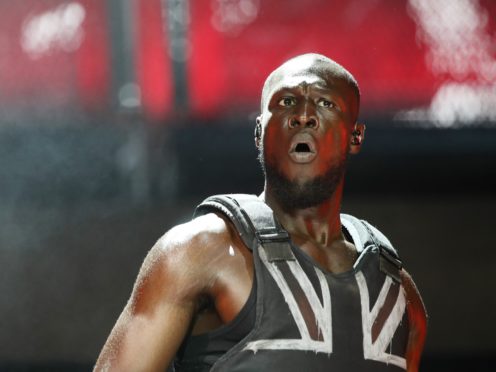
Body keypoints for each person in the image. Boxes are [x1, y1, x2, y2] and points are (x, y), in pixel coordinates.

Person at [94, 53, 427, 371]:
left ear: (355, 136)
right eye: (286, 102)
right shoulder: (200, 251)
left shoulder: (399, 294)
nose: (304, 115)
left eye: (325, 103)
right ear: (259, 132)